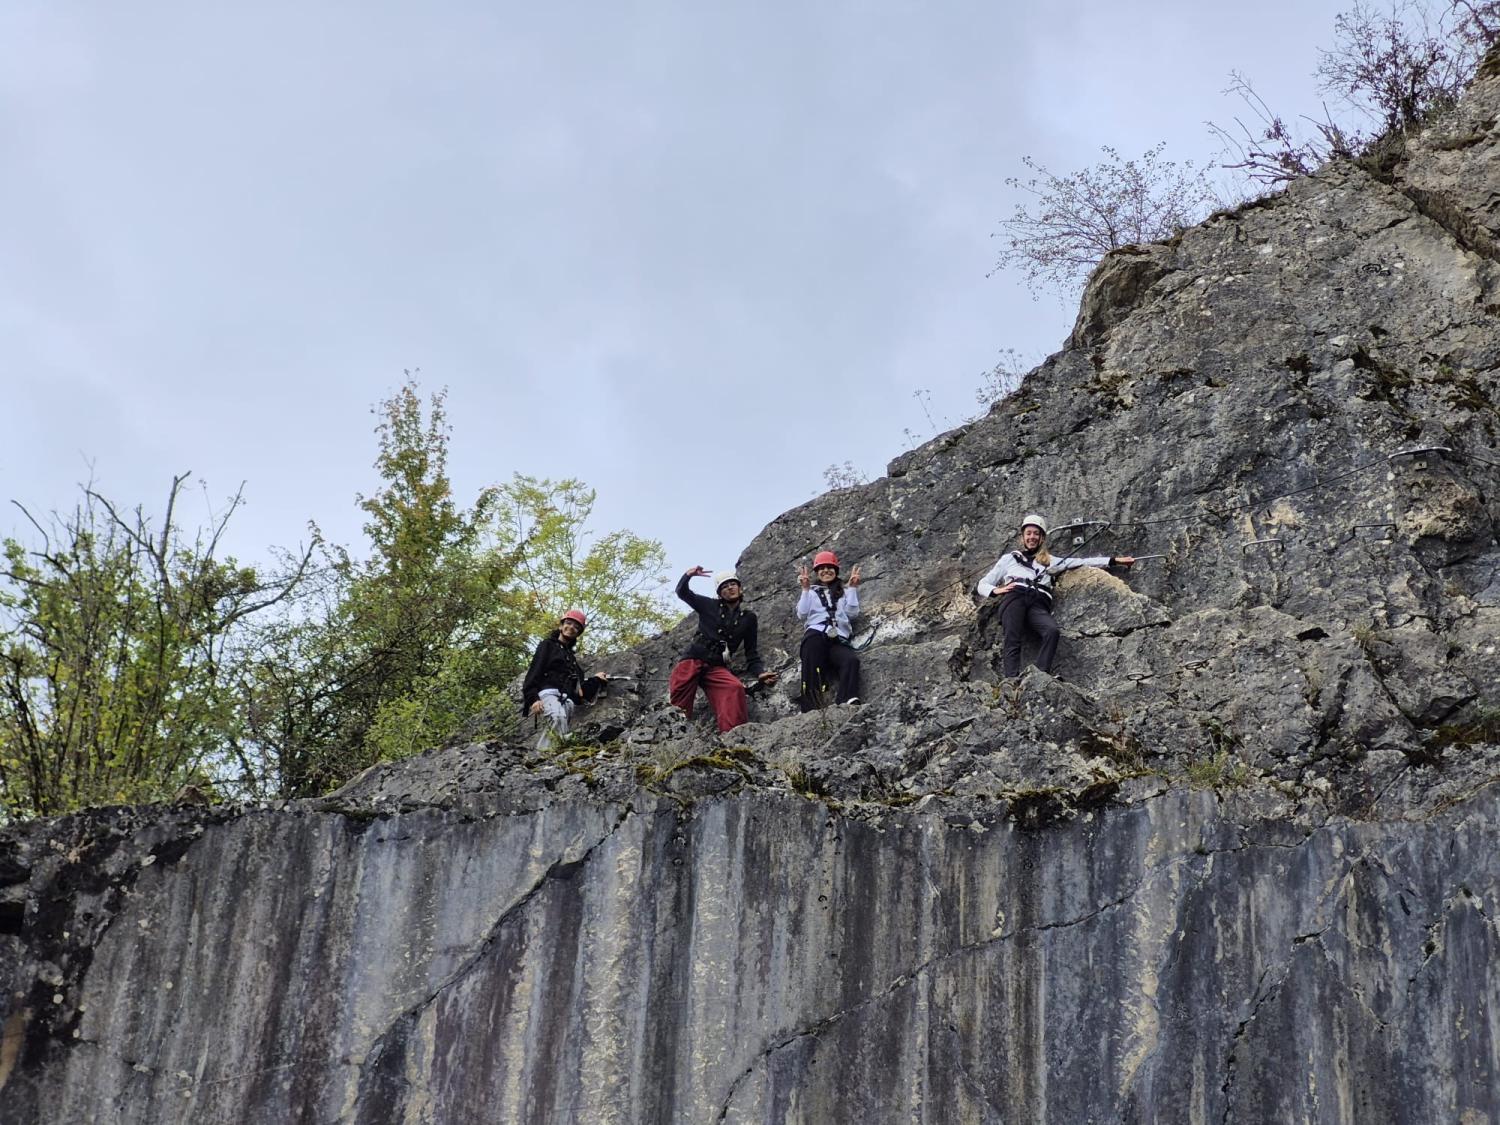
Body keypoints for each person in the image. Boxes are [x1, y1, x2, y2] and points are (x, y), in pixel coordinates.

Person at [975, 513, 1135, 678]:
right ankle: (1011, 679)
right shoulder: (1010, 559)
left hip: (1038, 602)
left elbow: (1082, 561)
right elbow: (983, 584)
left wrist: (1115, 560)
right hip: (1015, 596)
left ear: (1042, 538)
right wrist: (996, 590)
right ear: (1023, 537)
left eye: (1036, 534)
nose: (1032, 537)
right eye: (1028, 533)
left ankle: (1039, 675)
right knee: (1012, 638)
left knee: (1051, 631)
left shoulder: (1050, 561)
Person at [669, 567, 778, 732]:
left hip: (716, 666)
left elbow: (751, 653)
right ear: (720, 594)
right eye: (724, 587)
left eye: (733, 584)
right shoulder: (709, 605)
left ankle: (732, 736)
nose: (730, 588)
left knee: (734, 688)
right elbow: (682, 593)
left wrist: (760, 673)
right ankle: (672, 735)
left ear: (740, 588)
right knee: (679, 701)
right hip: (693, 659)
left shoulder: (748, 618)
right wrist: (688, 575)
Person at [521, 609, 609, 748]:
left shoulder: (572, 660)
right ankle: (546, 755)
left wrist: (596, 679)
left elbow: (580, 693)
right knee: (557, 718)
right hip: (549, 694)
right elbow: (535, 671)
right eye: (568, 623)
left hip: (567, 701)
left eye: (576, 627)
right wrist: (533, 699)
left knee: (560, 730)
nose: (571, 627)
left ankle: (547, 755)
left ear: (578, 633)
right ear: (561, 626)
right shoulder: (547, 645)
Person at [796, 550, 862, 709]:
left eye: (829, 567)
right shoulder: (811, 592)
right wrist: (805, 590)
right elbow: (802, 613)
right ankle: (810, 704)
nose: (826, 571)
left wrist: (853, 588)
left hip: (837, 638)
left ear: (836, 570)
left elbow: (852, 613)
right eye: (821, 568)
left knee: (851, 660)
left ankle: (847, 698)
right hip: (816, 634)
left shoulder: (844, 592)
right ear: (817, 572)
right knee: (812, 660)